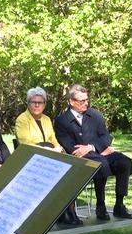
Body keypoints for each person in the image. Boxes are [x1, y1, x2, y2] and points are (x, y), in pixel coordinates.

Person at [54, 84, 132, 221]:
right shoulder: (62, 121)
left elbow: (106, 137)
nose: (86, 103)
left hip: (98, 152)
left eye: (87, 100)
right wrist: (99, 151)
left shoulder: (95, 115)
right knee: (100, 164)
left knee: (123, 162)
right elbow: (71, 148)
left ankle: (119, 205)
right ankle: (100, 205)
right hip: (81, 160)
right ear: (71, 102)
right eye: (82, 101)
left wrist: (92, 147)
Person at [15, 87, 82, 226]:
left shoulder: (46, 119)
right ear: (28, 103)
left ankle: (69, 210)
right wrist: (47, 150)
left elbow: (53, 140)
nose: (37, 105)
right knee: (55, 174)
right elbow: (25, 144)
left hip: (51, 156)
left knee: (71, 171)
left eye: (40, 102)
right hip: (31, 159)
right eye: (34, 102)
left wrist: (59, 148)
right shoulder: (22, 119)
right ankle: (61, 212)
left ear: (45, 104)